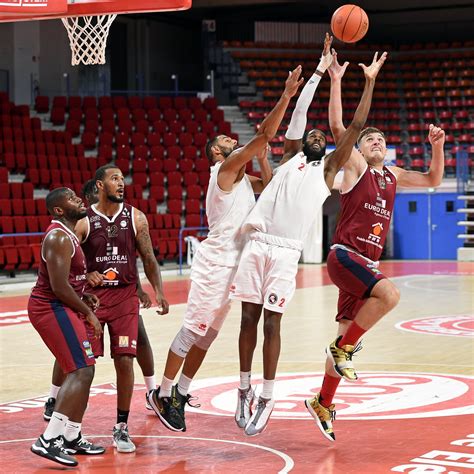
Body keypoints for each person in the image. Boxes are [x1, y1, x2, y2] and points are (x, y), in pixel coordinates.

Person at [232, 39, 387, 436]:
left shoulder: (329, 170)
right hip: (257, 244)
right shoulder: (289, 158)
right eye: (311, 135)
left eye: (322, 136)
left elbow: (352, 126)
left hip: (286, 254)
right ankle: (244, 388)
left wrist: (366, 83)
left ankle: (267, 394)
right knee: (247, 320)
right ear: (303, 142)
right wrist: (319, 72)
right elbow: (298, 116)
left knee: (271, 326)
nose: (317, 137)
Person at [148, 67, 304, 433]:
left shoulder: (240, 175)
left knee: (208, 335)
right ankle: (163, 393)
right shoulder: (224, 170)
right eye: (225, 140)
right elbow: (263, 135)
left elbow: (269, 184)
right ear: (216, 152)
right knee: (192, 331)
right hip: (216, 263)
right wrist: (285, 96)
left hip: (236, 264)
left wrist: (264, 154)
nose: (232, 141)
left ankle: (181, 393)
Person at [304, 50, 445, 442]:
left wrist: (437, 144)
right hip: (346, 256)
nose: (376, 142)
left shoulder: (394, 174)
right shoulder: (355, 167)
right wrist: (336, 80)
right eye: (369, 139)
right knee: (390, 294)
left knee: (344, 336)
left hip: (361, 265)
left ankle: (323, 402)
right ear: (360, 150)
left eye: (380, 139)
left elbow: (434, 180)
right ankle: (343, 352)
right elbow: (337, 126)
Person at [43, 180, 158, 420]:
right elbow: (62, 271)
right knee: (74, 352)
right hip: (91, 294)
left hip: (121, 294)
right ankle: (54, 398)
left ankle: (152, 393)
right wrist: (85, 279)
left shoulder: (129, 216)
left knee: (139, 342)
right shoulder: (78, 226)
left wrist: (138, 288)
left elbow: (127, 259)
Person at [74, 164, 169, 453]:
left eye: (122, 179)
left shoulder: (136, 217)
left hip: (125, 300)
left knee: (125, 360)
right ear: (100, 185)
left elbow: (149, 258)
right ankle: (71, 428)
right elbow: (66, 262)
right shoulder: (84, 220)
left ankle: (121, 427)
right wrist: (84, 275)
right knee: (83, 365)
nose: (121, 183)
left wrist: (159, 291)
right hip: (92, 301)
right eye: (114, 179)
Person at [29, 188, 104, 467]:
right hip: (50, 307)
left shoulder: (68, 234)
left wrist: (83, 295)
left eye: (76, 196)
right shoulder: (59, 236)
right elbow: (58, 287)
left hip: (61, 304)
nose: (78, 200)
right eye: (71, 199)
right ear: (59, 210)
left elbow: (65, 281)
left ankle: (71, 435)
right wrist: (89, 313)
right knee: (81, 370)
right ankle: (49, 440)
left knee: (85, 368)